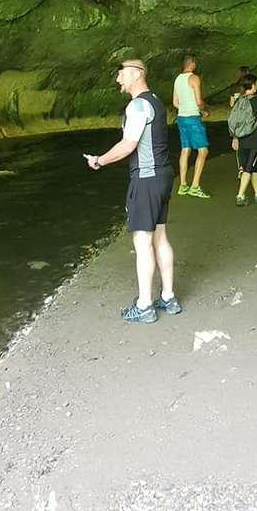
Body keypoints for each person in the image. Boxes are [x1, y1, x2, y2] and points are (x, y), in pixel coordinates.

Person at [86, 59, 180, 324]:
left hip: (146, 179)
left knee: (142, 241)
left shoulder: (137, 105)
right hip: (162, 175)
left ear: (137, 75)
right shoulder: (155, 101)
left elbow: (128, 145)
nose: (119, 80)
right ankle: (168, 298)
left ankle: (145, 305)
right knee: (160, 237)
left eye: (122, 75)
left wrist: (99, 161)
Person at [173, 54, 210, 199]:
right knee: (203, 151)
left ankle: (183, 185)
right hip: (193, 118)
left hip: (181, 118)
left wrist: (185, 108)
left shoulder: (177, 79)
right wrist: (203, 111)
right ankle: (195, 186)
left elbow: (175, 103)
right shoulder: (194, 78)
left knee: (185, 149)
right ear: (192, 64)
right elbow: (199, 101)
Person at [229, 73, 257, 205]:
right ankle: (240, 195)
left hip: (241, 137)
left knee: (253, 166)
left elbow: (234, 121)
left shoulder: (238, 100)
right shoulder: (256, 100)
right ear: (253, 86)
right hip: (253, 138)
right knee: (248, 166)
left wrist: (235, 137)